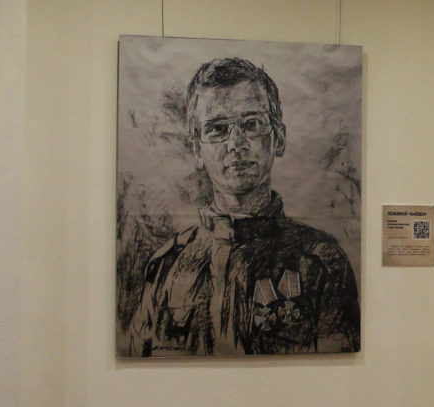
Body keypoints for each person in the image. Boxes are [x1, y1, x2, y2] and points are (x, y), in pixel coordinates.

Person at [127, 57, 359, 356]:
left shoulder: (322, 263)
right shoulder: (166, 267)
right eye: (217, 128)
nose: (237, 143)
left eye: (251, 124)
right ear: (197, 148)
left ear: (279, 138)